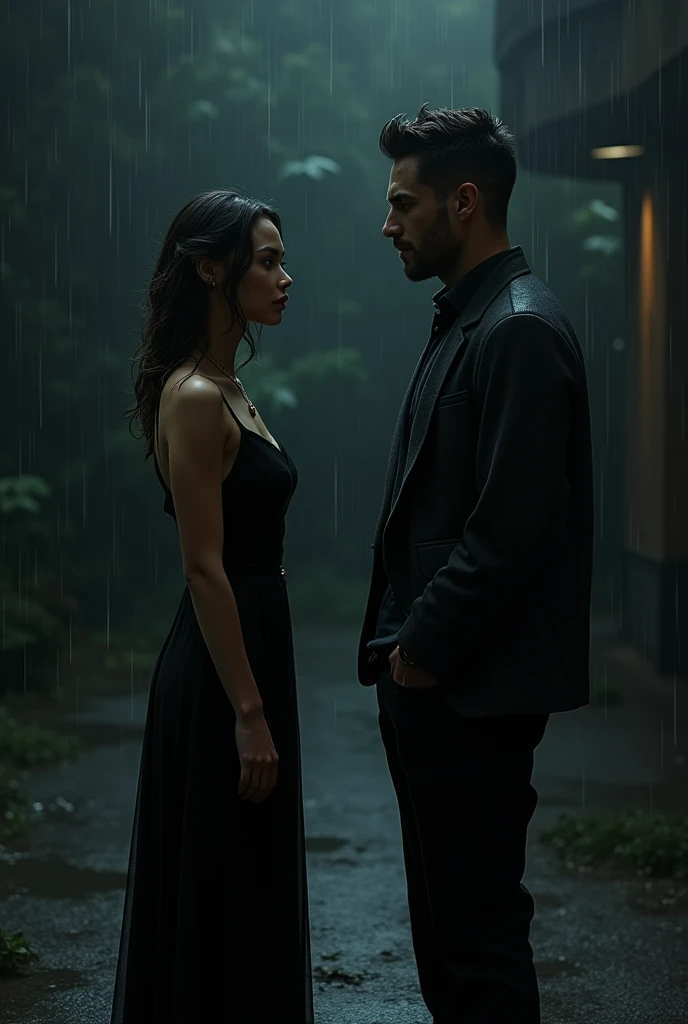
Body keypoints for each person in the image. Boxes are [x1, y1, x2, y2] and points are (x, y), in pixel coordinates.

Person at [357, 106, 594, 1024]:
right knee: (451, 945)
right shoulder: (473, 319)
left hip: (466, 690)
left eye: (402, 203)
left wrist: (420, 649)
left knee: (477, 946)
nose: (389, 225)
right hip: (439, 686)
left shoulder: (518, 329)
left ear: (464, 201)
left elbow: (510, 532)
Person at [111, 189, 313, 1023]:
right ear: (210, 269)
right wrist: (249, 710)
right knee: (219, 883)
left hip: (250, 647)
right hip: (220, 668)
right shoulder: (195, 395)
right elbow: (203, 566)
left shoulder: (230, 387)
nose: (284, 277)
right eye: (266, 261)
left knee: (248, 880)